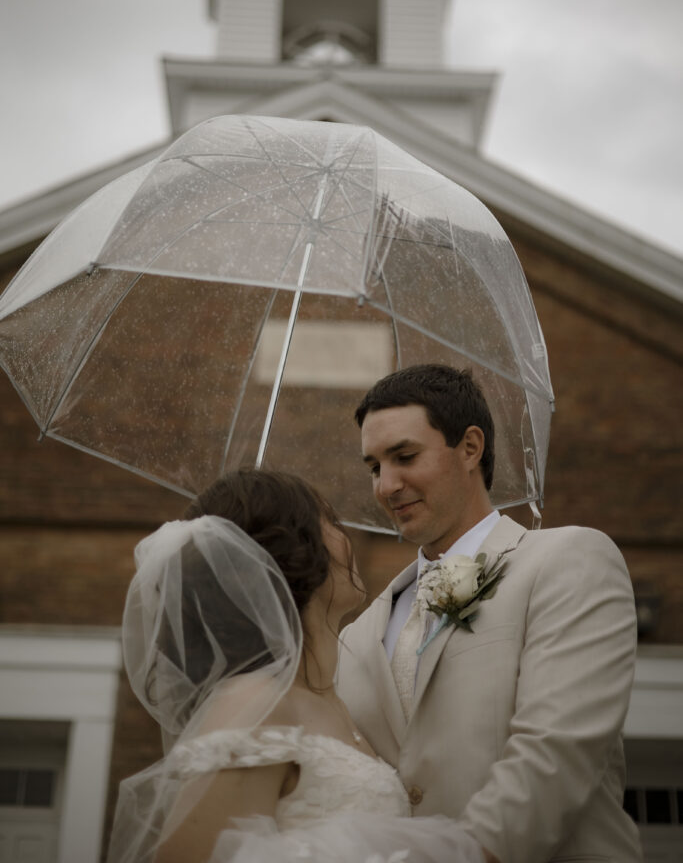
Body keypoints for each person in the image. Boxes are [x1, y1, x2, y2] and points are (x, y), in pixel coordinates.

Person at [337, 364, 643, 863]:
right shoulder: (357, 636)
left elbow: (556, 752)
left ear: (470, 448)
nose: (386, 486)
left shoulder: (568, 560)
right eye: (374, 467)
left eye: (405, 456)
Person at [107, 468, 485, 863]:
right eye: (332, 522)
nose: (346, 538)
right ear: (295, 552)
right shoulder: (255, 702)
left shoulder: (338, 702)